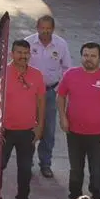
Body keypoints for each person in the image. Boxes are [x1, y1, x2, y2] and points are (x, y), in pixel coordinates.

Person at [56, 41, 100, 199]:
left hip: (97, 136)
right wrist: (63, 117)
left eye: (93, 56)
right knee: (75, 170)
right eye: (85, 55)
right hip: (74, 133)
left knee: (96, 171)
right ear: (81, 56)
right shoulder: (70, 75)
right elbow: (60, 96)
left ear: (99, 58)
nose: (88, 59)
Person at [0, 38, 46, 199]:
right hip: (5, 131)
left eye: (26, 53)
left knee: (25, 169)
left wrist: (39, 127)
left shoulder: (37, 75)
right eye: (19, 52)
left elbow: (41, 102)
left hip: (27, 132)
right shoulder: (1, 73)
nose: (23, 56)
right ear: (11, 54)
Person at [29, 14, 72, 178]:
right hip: (30, 94)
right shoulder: (28, 42)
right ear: (37, 28)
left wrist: (58, 90)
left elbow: (67, 69)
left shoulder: (60, 45)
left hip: (50, 93)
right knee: (29, 128)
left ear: (53, 29)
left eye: (48, 29)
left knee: (48, 130)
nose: (45, 32)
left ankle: (45, 164)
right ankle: (28, 162)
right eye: (42, 28)